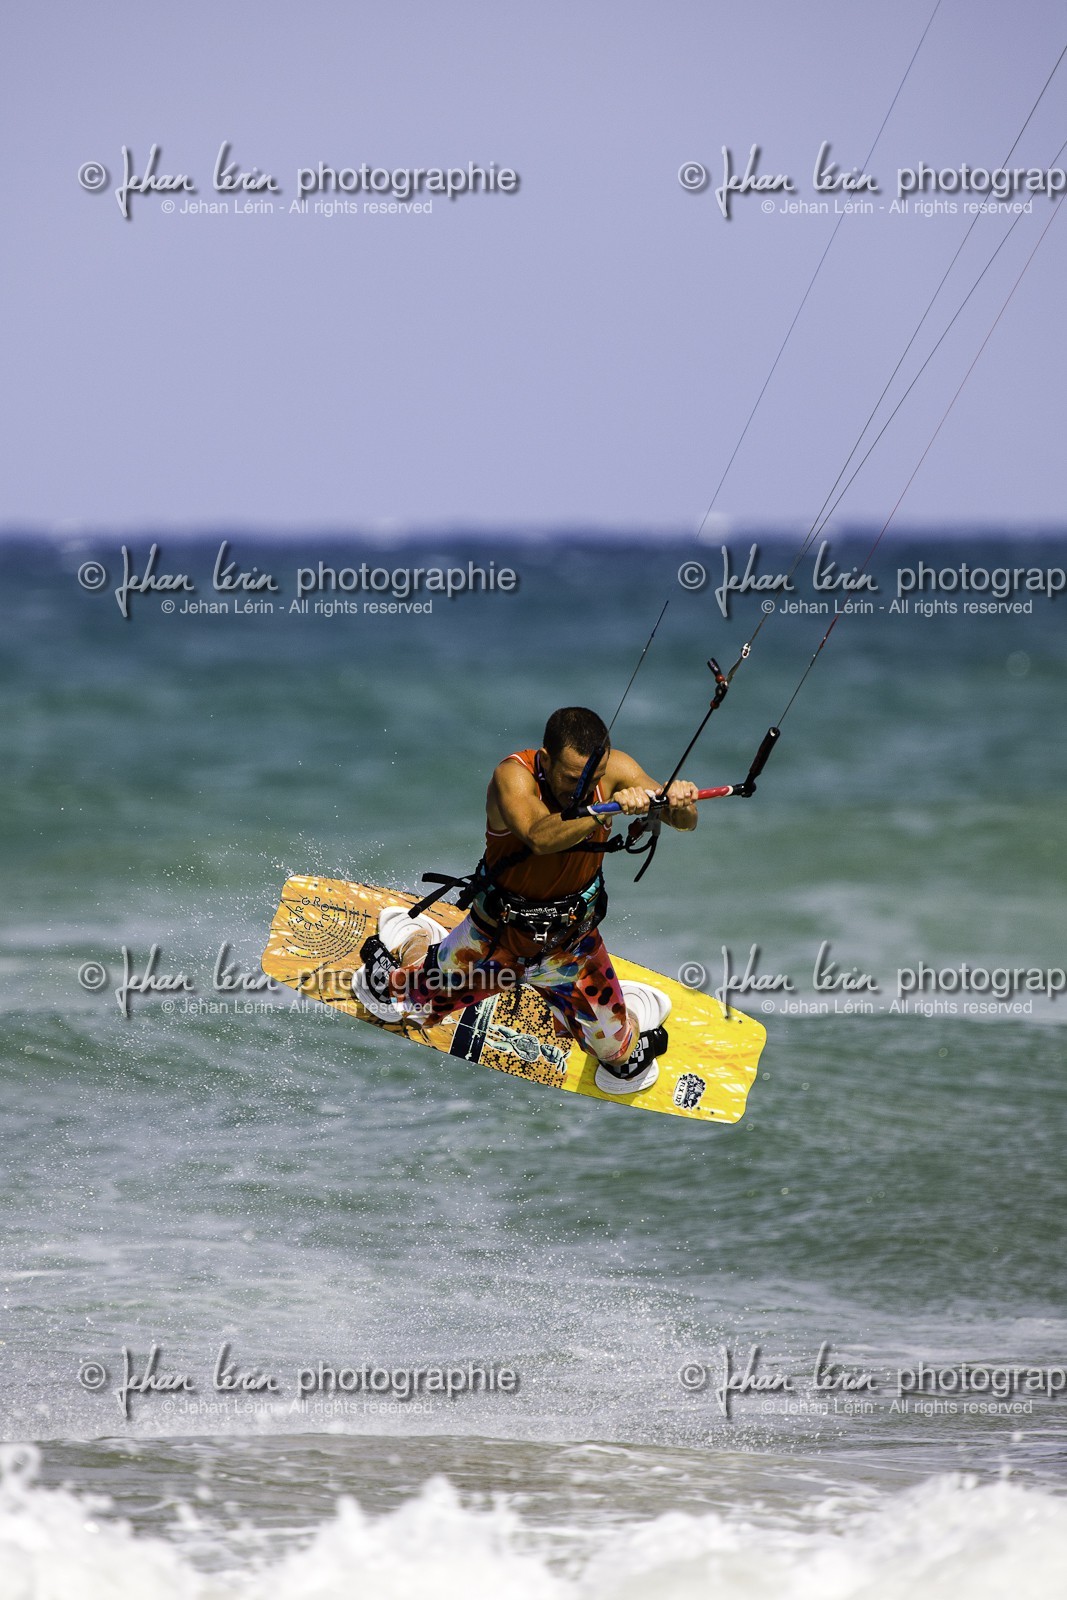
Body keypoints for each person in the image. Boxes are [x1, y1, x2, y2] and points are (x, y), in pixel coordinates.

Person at [354, 706, 699, 1093]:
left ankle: (635, 1002)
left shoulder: (615, 769)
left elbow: (684, 821)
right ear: (546, 759)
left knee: (619, 1056)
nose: (584, 788)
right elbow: (540, 836)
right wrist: (610, 809)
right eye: (572, 778)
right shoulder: (513, 776)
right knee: (400, 1003)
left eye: (594, 778)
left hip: (571, 944)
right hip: (495, 938)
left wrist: (675, 803)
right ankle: (414, 936)